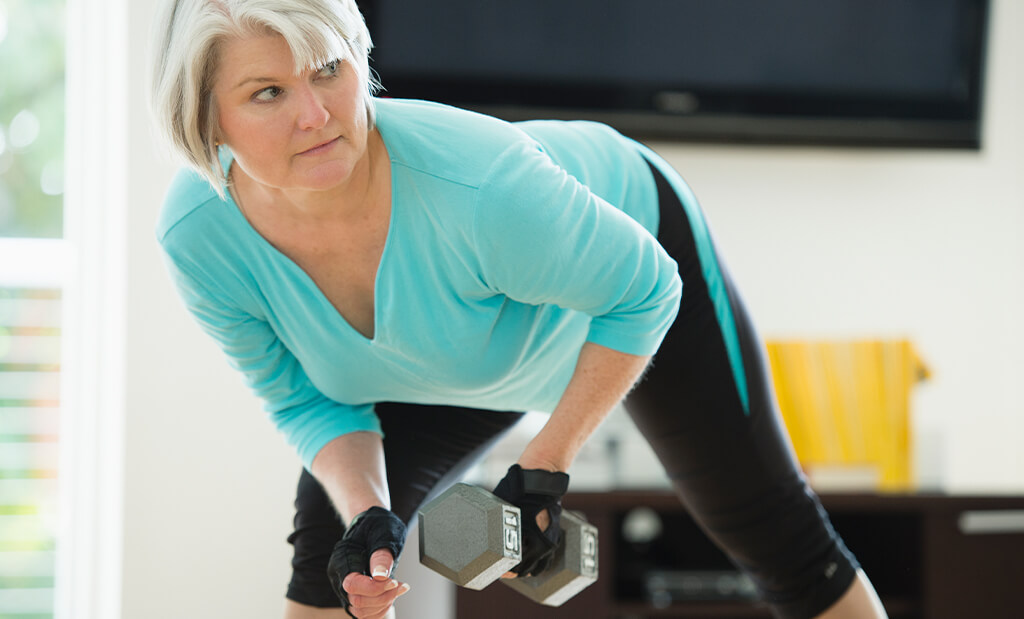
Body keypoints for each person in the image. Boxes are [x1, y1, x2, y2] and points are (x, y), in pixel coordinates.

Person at [149, 1, 889, 618]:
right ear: (207, 121)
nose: (315, 114)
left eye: (328, 70)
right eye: (267, 93)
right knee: (337, 558)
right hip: (460, 349)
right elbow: (304, 401)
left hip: (626, 286)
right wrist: (369, 508)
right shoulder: (202, 235)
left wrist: (546, 463)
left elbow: (647, 291)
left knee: (776, 536)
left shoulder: (480, 184)